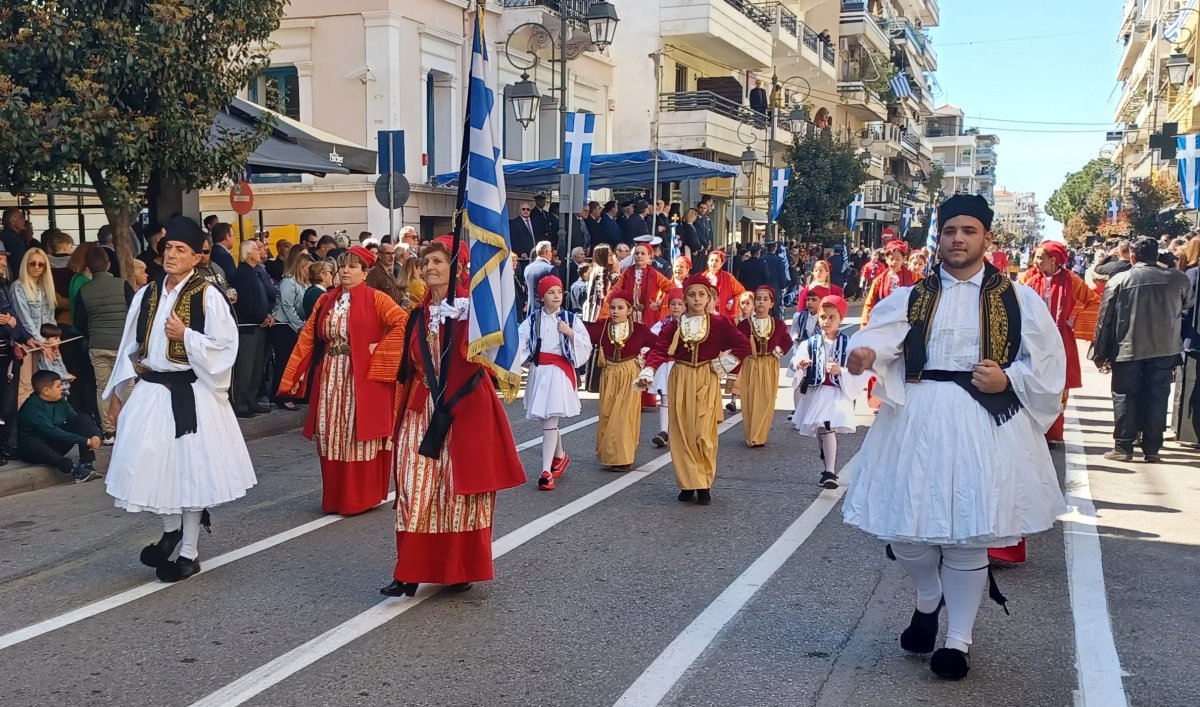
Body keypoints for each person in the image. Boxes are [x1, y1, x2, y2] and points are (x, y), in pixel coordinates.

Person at [841, 194, 1067, 680]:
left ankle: (957, 640)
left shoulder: (1018, 299)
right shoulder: (913, 295)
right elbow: (880, 335)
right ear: (939, 238)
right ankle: (929, 595)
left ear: (987, 238)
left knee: (968, 535)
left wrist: (1009, 379)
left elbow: (1049, 363)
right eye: (949, 231)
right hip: (917, 419)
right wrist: (865, 353)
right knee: (906, 534)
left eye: (968, 231)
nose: (958, 239)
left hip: (984, 422)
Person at [103, 216, 257, 583]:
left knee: (190, 473)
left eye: (181, 250)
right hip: (150, 391)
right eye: (169, 248)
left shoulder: (208, 295)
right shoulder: (147, 293)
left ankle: (189, 551)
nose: (171, 255)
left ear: (196, 257)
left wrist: (186, 334)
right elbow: (129, 345)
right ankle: (170, 530)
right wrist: (118, 391)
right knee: (150, 466)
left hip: (192, 393)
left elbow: (225, 348)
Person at [382, 238, 525, 598]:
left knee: (457, 493)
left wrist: (467, 318)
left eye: (437, 261)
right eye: (425, 262)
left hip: (466, 409)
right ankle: (408, 571)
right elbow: (408, 367)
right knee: (413, 487)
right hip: (422, 409)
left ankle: (459, 568)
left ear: (455, 267)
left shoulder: (473, 311)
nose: (429, 267)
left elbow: (495, 348)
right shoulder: (417, 315)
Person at [278, 246, 408, 516]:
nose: (345, 271)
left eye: (352, 266)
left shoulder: (377, 298)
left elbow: (402, 323)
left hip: (361, 375)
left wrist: (380, 349)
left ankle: (359, 497)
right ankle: (335, 496)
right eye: (343, 266)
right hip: (330, 373)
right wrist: (293, 374)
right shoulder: (326, 300)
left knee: (356, 431)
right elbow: (308, 337)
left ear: (365, 272)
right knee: (330, 430)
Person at [638, 273, 751, 505]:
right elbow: (660, 348)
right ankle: (688, 483)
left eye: (701, 294)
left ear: (709, 297)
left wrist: (722, 365)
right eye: (692, 295)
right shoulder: (675, 325)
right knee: (682, 432)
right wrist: (649, 369)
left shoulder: (719, 323)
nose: (697, 299)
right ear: (685, 299)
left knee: (703, 432)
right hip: (680, 376)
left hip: (706, 377)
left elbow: (743, 345)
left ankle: (704, 481)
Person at [1092, 236, 1194, 462]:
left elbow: (1104, 320)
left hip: (1127, 347)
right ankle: (1152, 449)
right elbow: (1188, 303)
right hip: (1164, 348)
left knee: (1125, 395)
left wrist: (1099, 353)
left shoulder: (1119, 280)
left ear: (1132, 256)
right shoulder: (1178, 279)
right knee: (1157, 397)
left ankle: (1123, 447)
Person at [511, 275, 592, 490]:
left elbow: (585, 344)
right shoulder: (533, 319)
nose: (556, 296)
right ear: (542, 296)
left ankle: (546, 471)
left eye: (558, 292)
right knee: (547, 418)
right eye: (550, 292)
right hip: (539, 372)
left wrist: (570, 333)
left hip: (558, 373)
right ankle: (560, 456)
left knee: (549, 419)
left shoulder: (570, 319)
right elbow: (520, 342)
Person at [1018, 240, 1101, 444]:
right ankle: (1031, 432)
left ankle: (1053, 433)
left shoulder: (1072, 280)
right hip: (1031, 340)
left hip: (1060, 340)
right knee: (1030, 381)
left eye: (1040, 257)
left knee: (1058, 385)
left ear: (1053, 260)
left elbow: (1094, 301)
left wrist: (1074, 318)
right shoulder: (1027, 278)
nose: (1035, 261)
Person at [791, 295, 866, 489]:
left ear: (841, 318)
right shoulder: (811, 343)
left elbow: (859, 370)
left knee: (827, 426)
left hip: (837, 393)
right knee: (822, 429)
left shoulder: (849, 344)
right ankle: (827, 464)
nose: (827, 321)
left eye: (832, 317)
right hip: (817, 392)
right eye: (823, 317)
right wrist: (800, 364)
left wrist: (841, 371)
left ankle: (830, 472)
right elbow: (795, 360)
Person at [74, 246, 135, 443]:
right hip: (122, 345)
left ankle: (109, 432)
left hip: (97, 345)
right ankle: (129, 426)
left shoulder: (84, 290)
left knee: (102, 387)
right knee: (127, 385)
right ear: (108, 264)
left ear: (89, 268)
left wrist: (93, 333)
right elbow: (135, 312)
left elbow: (79, 322)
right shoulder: (122, 284)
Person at [589, 289, 656, 469]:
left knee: (624, 415)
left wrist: (646, 363)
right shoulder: (602, 328)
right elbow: (581, 335)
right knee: (608, 413)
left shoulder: (639, 330)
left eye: (620, 308)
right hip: (609, 374)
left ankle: (623, 457)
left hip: (629, 374)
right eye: (612, 308)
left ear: (629, 310)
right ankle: (609, 453)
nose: (615, 311)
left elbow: (659, 345)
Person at [17, 370, 102, 483]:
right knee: (31, 443)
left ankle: (87, 464)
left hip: (54, 443)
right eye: (58, 386)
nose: (61, 389)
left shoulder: (59, 401)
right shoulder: (32, 407)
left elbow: (78, 420)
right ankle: (73, 469)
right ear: (46, 391)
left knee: (83, 419)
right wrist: (85, 440)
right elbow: (51, 431)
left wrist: (96, 436)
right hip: (35, 451)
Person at [735, 286, 792, 448]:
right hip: (751, 363)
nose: (761, 302)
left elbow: (787, 341)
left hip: (769, 363)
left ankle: (759, 435)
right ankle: (751, 433)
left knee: (766, 399)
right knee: (750, 398)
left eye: (765, 299)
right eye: (758, 299)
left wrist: (778, 351)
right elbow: (737, 343)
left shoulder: (778, 324)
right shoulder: (744, 325)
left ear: (771, 304)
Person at [229, 241, 271, 417]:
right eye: (255, 249)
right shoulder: (243, 274)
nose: (259, 251)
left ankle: (252, 400)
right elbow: (246, 302)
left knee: (257, 367)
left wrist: (267, 315)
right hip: (248, 327)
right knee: (246, 367)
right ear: (247, 254)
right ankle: (241, 403)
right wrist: (261, 318)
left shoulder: (255, 272)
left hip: (258, 325)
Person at [11, 248, 57, 407]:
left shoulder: (45, 288)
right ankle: (23, 419)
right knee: (25, 386)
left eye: (41, 264)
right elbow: (24, 319)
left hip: (42, 342)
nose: (37, 267)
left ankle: (38, 418)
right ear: (26, 265)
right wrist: (42, 342)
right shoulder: (18, 287)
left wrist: (53, 339)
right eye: (32, 263)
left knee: (42, 386)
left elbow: (50, 318)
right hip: (25, 341)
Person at [269, 247, 311, 412]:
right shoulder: (288, 282)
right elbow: (287, 306)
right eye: (307, 268)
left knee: (292, 362)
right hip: (284, 326)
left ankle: (290, 393)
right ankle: (281, 396)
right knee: (284, 362)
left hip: (293, 325)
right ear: (300, 267)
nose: (309, 271)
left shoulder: (302, 283)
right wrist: (299, 325)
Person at [649, 288, 685, 448]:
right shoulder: (663, 324)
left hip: (683, 365)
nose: (676, 307)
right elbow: (651, 338)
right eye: (673, 304)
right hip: (666, 365)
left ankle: (681, 432)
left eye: (679, 304)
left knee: (682, 399)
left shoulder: (691, 323)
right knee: (665, 396)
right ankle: (664, 432)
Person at [609, 243, 674, 327]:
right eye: (637, 253)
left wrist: (659, 303)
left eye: (643, 253)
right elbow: (615, 291)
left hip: (648, 317)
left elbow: (673, 290)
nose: (639, 256)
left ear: (649, 256)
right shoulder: (627, 274)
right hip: (629, 317)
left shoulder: (655, 275)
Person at [862, 240, 919, 326]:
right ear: (886, 259)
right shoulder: (879, 281)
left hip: (906, 324)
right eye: (891, 259)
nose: (894, 262)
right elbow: (869, 305)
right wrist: (865, 326)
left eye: (898, 259)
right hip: (884, 323)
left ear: (904, 259)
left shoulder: (914, 277)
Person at [702, 250, 748, 319]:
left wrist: (731, 302)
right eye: (711, 260)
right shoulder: (702, 278)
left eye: (717, 260)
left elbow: (741, 292)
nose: (714, 262)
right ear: (708, 262)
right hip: (705, 314)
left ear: (721, 264)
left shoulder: (728, 277)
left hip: (723, 315)